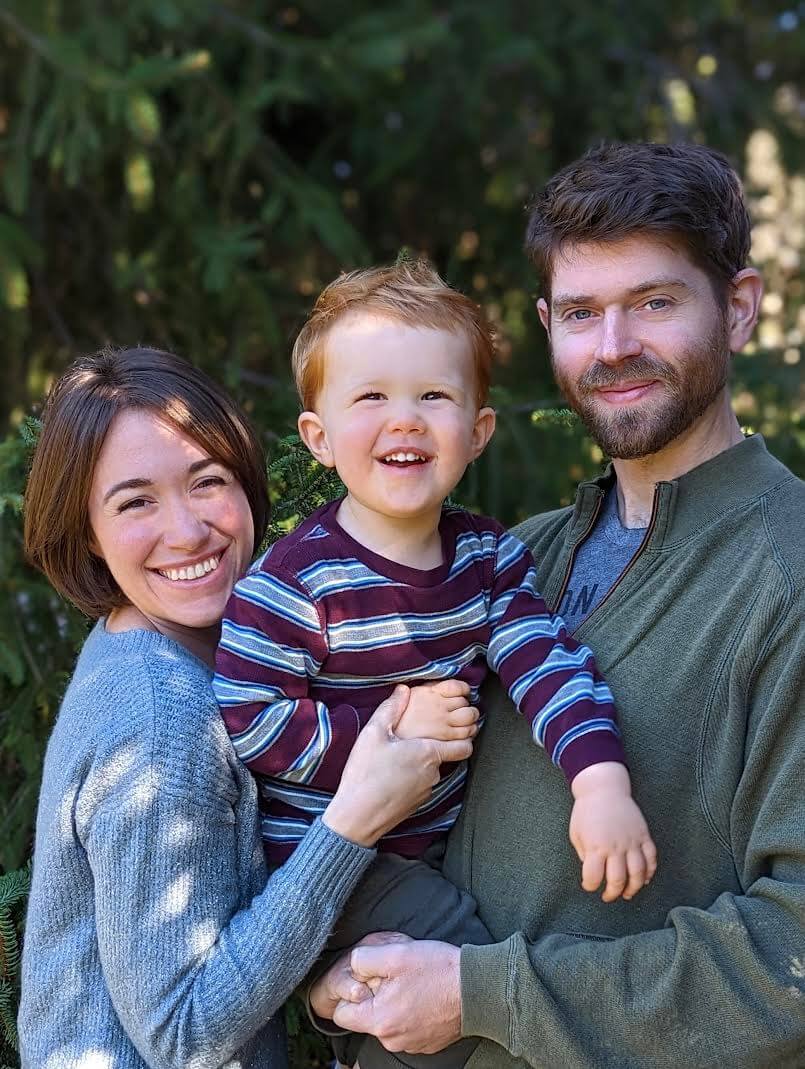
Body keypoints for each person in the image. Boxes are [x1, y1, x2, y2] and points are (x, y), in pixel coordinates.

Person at [311, 142, 805, 1068]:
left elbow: (791, 960)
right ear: (547, 323)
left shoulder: (788, 576)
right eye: (582, 312)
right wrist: (338, 965)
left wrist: (480, 994)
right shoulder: (511, 557)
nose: (612, 346)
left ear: (737, 309)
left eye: (654, 302)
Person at [214, 262, 656, 1067]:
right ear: (318, 436)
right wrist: (390, 734)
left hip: (432, 850)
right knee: (469, 984)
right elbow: (250, 714)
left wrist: (600, 781)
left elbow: (546, 664)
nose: (404, 420)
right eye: (371, 397)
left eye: (433, 396)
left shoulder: (487, 558)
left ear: (477, 430)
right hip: (328, 863)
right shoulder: (295, 580)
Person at [17, 346, 473, 1068]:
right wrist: (353, 819)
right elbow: (183, 1032)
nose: (188, 530)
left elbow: (214, 940)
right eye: (135, 501)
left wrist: (317, 986)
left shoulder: (167, 646)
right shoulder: (162, 717)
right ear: (88, 535)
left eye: (207, 481)